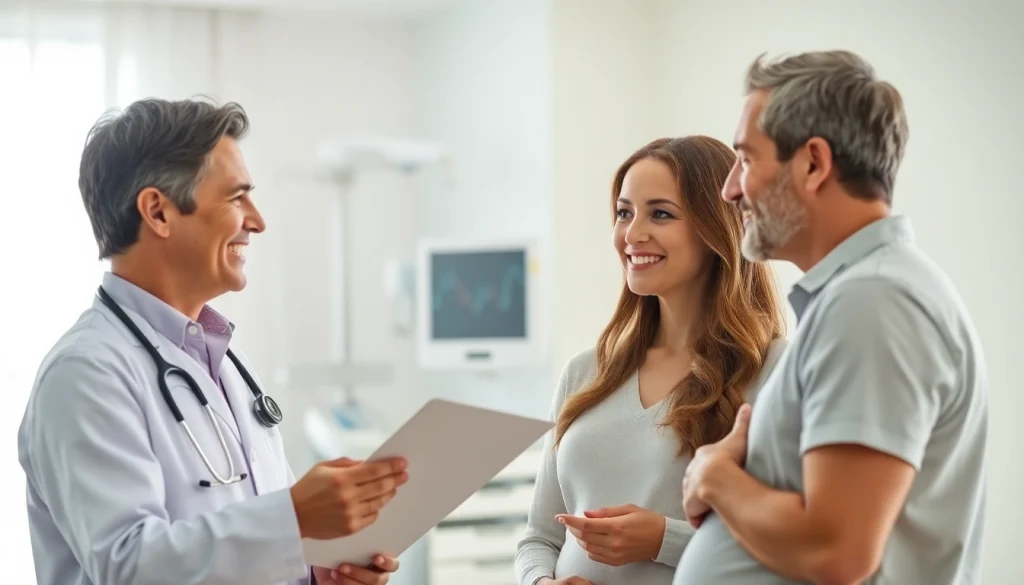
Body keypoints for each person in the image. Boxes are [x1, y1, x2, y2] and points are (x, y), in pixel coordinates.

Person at [17, 98, 409, 585]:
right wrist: (294, 518)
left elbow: (249, 544)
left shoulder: (224, 361)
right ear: (158, 212)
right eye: (236, 198)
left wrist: (315, 573)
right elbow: (127, 567)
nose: (257, 221)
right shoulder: (84, 375)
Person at [675, 50, 988, 585]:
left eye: (746, 159)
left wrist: (715, 477)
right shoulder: (863, 295)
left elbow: (836, 549)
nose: (730, 189)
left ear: (813, 164)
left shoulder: (874, 301)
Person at [514, 136, 789, 585]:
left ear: (715, 229)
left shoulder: (775, 371)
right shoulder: (584, 372)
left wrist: (664, 539)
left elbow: (789, 548)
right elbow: (539, 539)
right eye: (624, 213)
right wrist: (541, 583)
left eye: (660, 214)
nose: (632, 233)